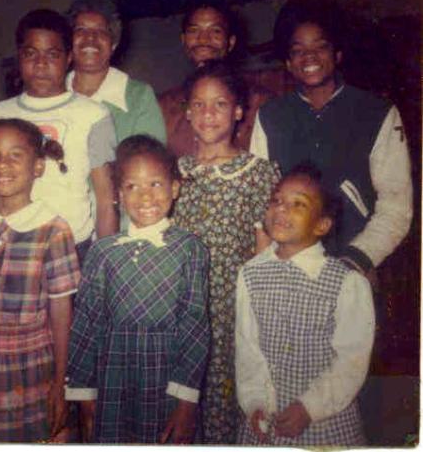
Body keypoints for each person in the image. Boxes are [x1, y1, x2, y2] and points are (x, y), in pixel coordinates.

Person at [249, 0, 413, 278]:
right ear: (288, 63)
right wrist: (273, 260)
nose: (309, 57)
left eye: (320, 47)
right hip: (288, 266)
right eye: (298, 50)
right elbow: (260, 197)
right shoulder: (270, 115)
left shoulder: (377, 112)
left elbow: (396, 206)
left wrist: (356, 259)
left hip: (355, 265)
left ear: (337, 54)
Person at [65, 135, 210, 444]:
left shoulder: (190, 249)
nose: (145, 196)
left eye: (155, 184)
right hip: (113, 378)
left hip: (166, 377)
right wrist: (84, 395)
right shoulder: (103, 252)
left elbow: (195, 327)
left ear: (175, 188)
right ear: (118, 194)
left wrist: (186, 402)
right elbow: (86, 324)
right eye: (132, 186)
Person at [0, 118, 80, 442]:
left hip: (29, 375)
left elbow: (62, 314)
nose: (2, 164)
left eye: (14, 155)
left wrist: (60, 384)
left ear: (38, 167)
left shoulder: (53, 230)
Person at [173, 60, 280, 444]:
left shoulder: (258, 172)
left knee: (227, 405)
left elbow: (265, 253)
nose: (208, 113)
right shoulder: (174, 174)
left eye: (219, 104)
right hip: (183, 309)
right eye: (198, 105)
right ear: (187, 112)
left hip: (233, 309)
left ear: (238, 111)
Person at [235, 165, 375, 446]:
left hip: (325, 425)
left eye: (298, 204)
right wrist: (254, 403)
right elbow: (247, 349)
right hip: (266, 424)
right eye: (277, 200)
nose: (282, 209)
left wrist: (309, 408)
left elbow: (351, 363)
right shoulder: (250, 274)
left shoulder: (347, 284)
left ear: (321, 224)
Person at [0, 9, 118, 262]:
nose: (41, 63)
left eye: (52, 54)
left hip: (70, 247)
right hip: (10, 244)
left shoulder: (93, 115)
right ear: (19, 57)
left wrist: (105, 264)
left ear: (69, 58)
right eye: (30, 53)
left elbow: (105, 197)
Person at [159, 0, 274, 156]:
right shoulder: (165, 105)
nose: (204, 39)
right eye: (194, 31)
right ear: (183, 40)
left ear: (231, 42)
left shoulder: (258, 101)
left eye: (215, 31)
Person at [65, 0, 166, 145]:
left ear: (113, 44)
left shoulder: (139, 97)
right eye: (81, 30)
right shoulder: (52, 93)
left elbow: (150, 163)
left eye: (100, 31)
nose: (90, 37)